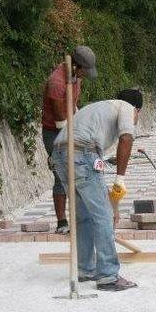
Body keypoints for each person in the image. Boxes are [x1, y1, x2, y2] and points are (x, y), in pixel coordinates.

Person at [51, 89, 142, 292]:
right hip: (81, 152)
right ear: (137, 110)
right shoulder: (127, 107)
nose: (135, 119)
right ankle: (108, 276)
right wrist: (120, 178)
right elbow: (127, 138)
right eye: (138, 116)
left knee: (83, 216)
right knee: (104, 215)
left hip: (59, 154)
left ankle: (85, 269)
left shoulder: (97, 108)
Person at [41, 46, 97, 234]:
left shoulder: (75, 77)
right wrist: (62, 149)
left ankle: (82, 218)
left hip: (71, 125)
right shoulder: (56, 83)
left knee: (80, 170)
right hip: (55, 132)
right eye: (83, 71)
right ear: (75, 66)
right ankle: (62, 222)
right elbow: (59, 120)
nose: (84, 76)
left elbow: (72, 105)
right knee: (61, 173)